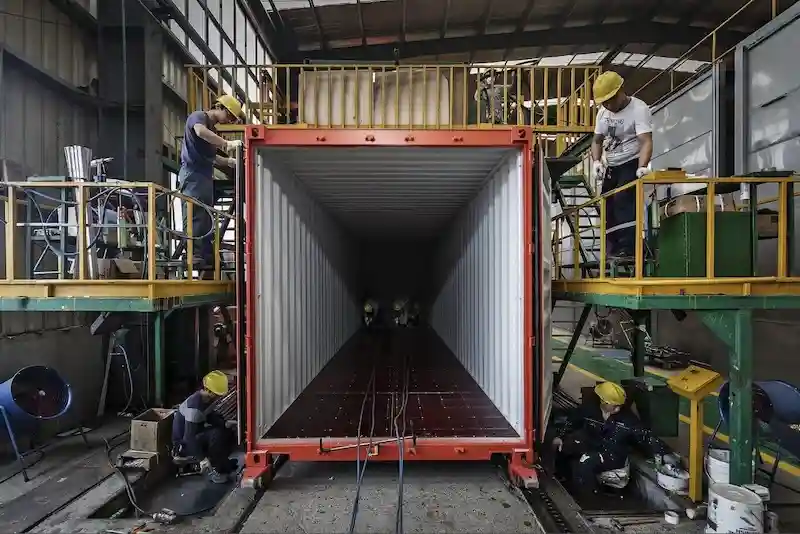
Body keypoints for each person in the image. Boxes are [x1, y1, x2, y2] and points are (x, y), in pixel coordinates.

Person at [551, 381, 678, 497]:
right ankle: (562, 480)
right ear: (602, 401)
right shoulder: (589, 410)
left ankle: (590, 498)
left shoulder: (627, 419)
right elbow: (572, 422)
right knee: (563, 448)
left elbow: (646, 436)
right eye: (614, 406)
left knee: (586, 463)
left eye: (620, 406)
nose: (618, 409)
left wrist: (664, 453)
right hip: (592, 443)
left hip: (613, 454)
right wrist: (561, 437)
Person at [590, 71, 654, 260]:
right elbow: (597, 140)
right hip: (612, 164)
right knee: (607, 203)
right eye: (603, 102)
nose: (607, 105)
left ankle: (629, 248)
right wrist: (596, 161)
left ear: (620, 91)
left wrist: (642, 166)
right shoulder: (603, 113)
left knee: (623, 200)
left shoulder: (638, 109)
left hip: (631, 162)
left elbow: (646, 141)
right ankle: (612, 249)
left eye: (610, 100)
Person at [179, 95, 245, 268]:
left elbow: (212, 158)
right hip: (193, 174)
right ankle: (194, 254)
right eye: (229, 116)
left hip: (204, 176)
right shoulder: (199, 117)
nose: (229, 121)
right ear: (221, 107)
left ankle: (205, 254)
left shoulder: (212, 131)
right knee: (195, 214)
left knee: (207, 216)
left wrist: (230, 162)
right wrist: (226, 144)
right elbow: (200, 131)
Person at [172, 370, 237, 484]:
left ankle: (223, 463)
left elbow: (209, 415)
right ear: (209, 391)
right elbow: (189, 438)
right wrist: (202, 459)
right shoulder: (194, 408)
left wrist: (225, 424)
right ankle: (216, 470)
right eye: (217, 394)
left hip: (195, 434)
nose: (219, 397)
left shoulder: (206, 400)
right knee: (216, 435)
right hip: (184, 445)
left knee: (225, 431)